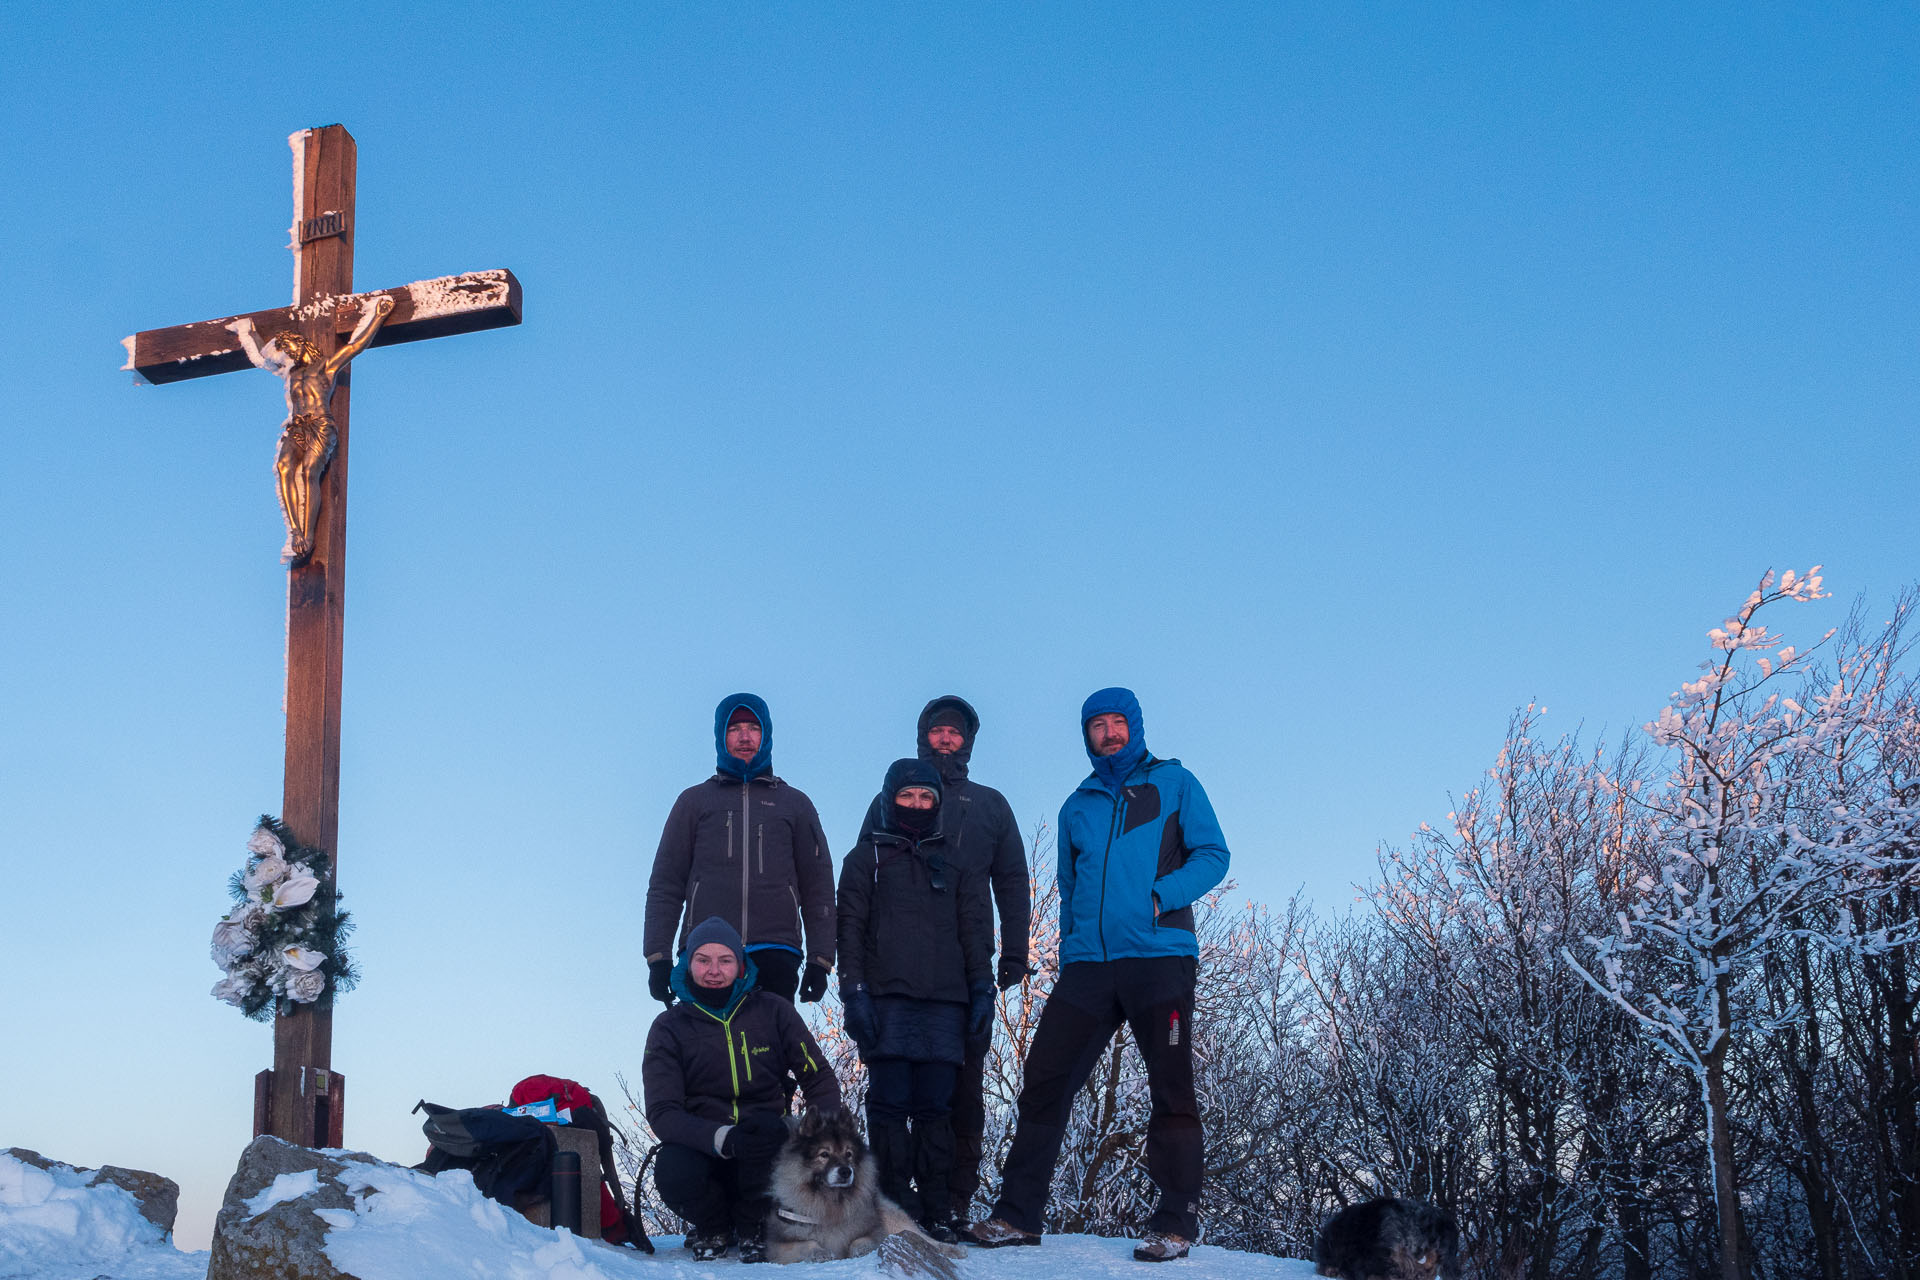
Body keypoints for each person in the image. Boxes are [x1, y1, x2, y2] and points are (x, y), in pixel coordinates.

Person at [967, 688, 1230, 1262]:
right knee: (1043, 1080)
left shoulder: (1174, 784)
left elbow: (1213, 855)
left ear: (1134, 726)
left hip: (1160, 956)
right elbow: (1069, 886)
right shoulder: (1076, 806)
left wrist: (1162, 896)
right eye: (1097, 726)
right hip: (1089, 965)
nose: (1108, 734)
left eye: (1117, 723)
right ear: (1085, 734)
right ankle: (1016, 1215)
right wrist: (1070, 946)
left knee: (1171, 1084)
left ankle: (1175, 1223)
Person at [859, 695, 1028, 1230]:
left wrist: (1015, 949)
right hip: (895, 973)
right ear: (923, 735)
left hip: (962, 967)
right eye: (938, 730)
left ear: (969, 740)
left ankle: (953, 1197)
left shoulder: (990, 805)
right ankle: (893, 1200)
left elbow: (1012, 880)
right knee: (891, 1090)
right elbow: (865, 885)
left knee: (961, 1087)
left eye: (956, 731)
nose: (947, 738)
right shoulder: (884, 801)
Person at [838, 758, 995, 1243]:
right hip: (885, 999)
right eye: (908, 796)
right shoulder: (865, 860)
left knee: (936, 1109)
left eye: (927, 798)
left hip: (946, 1004)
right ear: (890, 799)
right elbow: (849, 932)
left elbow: (976, 931)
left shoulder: (958, 862)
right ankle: (889, 1206)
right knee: (887, 1106)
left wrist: (981, 987)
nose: (917, 805)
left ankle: (939, 1208)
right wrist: (855, 992)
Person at [642, 915, 842, 1262]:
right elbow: (663, 1112)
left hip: (764, 1146)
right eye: (703, 960)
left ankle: (757, 1226)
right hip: (705, 1147)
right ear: (688, 965)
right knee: (672, 1168)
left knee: (769, 1132)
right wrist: (722, 1137)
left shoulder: (774, 1011)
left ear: (740, 964)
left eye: (725, 960)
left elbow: (818, 1076)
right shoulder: (668, 1027)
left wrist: (818, 1134)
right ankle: (713, 1225)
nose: (714, 970)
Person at [644, 694, 836, 1005]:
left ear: (766, 734)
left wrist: (821, 959)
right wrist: (657, 956)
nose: (744, 737)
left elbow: (819, 888)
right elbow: (665, 883)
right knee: (706, 1050)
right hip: (707, 954)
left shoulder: (795, 804)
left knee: (770, 1051)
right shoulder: (693, 802)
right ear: (721, 736)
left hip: (775, 952)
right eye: (734, 729)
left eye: (753, 728)